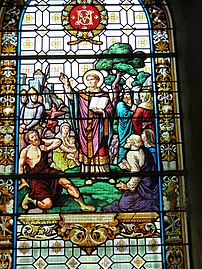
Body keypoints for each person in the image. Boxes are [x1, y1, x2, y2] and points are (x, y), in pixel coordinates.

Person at [19, 130, 95, 212]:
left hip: (48, 172)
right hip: (37, 179)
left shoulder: (43, 143)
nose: (36, 138)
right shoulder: (25, 151)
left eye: (36, 135)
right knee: (47, 204)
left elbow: (58, 141)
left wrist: (47, 148)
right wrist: (23, 181)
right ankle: (30, 199)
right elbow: (20, 166)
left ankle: (83, 205)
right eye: (33, 137)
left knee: (67, 183)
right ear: (29, 141)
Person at [60, 70, 114, 185]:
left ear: (98, 81)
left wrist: (103, 112)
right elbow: (72, 99)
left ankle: (104, 175)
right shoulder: (81, 94)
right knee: (86, 149)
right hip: (84, 126)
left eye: (93, 79)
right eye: (88, 80)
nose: (90, 82)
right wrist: (66, 84)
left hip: (98, 127)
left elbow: (110, 110)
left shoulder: (104, 95)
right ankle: (89, 175)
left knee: (101, 149)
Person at [103, 134, 159, 212]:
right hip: (150, 183)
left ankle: (151, 204)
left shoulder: (131, 154)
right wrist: (127, 166)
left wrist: (127, 186)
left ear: (132, 143)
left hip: (141, 186)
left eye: (129, 139)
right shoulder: (144, 150)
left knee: (124, 205)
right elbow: (140, 167)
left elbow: (137, 175)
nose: (127, 140)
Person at [116, 90, 136, 168]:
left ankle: (129, 161)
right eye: (125, 94)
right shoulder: (120, 104)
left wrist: (131, 106)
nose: (127, 96)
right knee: (123, 143)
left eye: (128, 94)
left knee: (130, 143)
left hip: (130, 126)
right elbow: (123, 115)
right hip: (123, 127)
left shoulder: (128, 104)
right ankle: (120, 160)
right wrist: (132, 111)